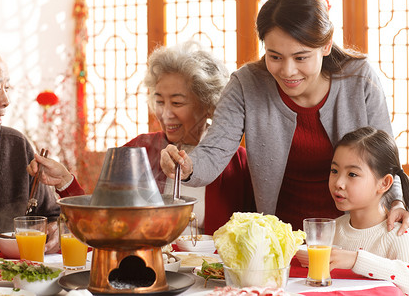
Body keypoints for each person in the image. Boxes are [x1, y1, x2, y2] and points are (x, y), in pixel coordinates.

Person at [159, 0, 409, 239]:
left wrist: (397, 203)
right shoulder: (246, 84)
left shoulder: (359, 79)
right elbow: (214, 151)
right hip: (281, 241)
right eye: (275, 57)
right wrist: (187, 166)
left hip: (356, 237)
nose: (287, 71)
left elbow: (386, 161)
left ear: (326, 45)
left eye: (301, 57)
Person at [28, 41, 255, 235]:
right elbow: (100, 222)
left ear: (208, 105)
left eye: (177, 103)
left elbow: (253, 232)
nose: (165, 114)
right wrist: (65, 181)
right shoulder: (138, 151)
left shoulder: (238, 163)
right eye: (159, 101)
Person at [0, 39, 61, 255]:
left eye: (7, 88)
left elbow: (51, 216)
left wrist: (55, 230)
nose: (6, 100)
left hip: (14, 286)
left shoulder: (17, 146)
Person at [328, 127, 409, 295]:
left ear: (384, 183)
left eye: (352, 174)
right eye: (334, 171)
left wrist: (356, 259)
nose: (339, 183)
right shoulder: (332, 228)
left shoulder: (398, 234)